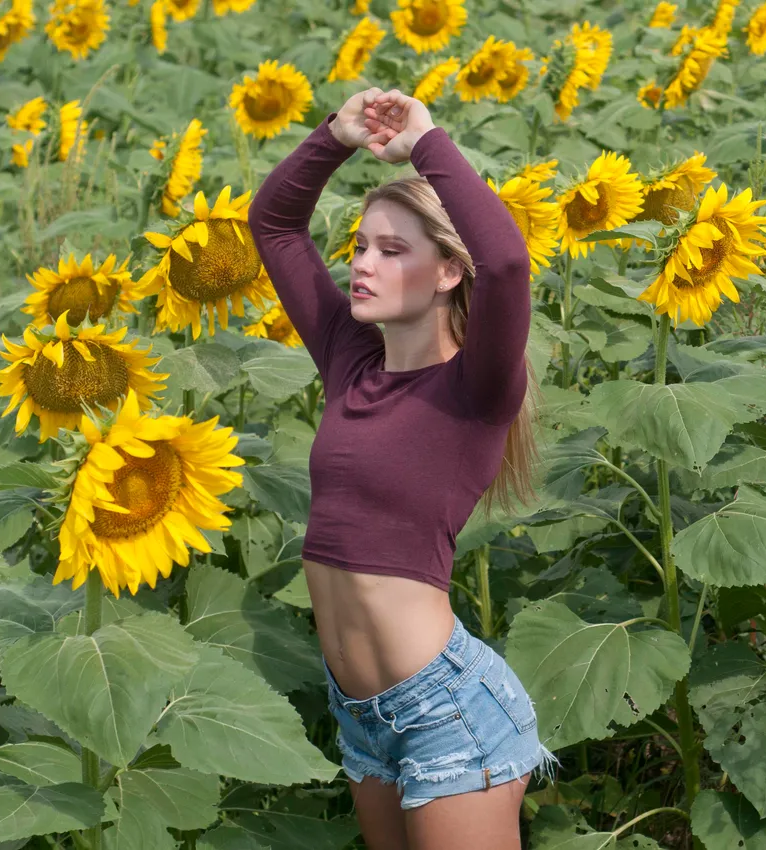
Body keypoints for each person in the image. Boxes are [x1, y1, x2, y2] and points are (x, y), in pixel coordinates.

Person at [248, 87, 558, 850]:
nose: (362, 263)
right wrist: (335, 136)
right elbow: (273, 225)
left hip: (446, 709)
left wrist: (427, 143)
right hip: (361, 715)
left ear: (450, 272)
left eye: (393, 250)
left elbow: (510, 261)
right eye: (358, 245)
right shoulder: (352, 362)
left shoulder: (477, 389)